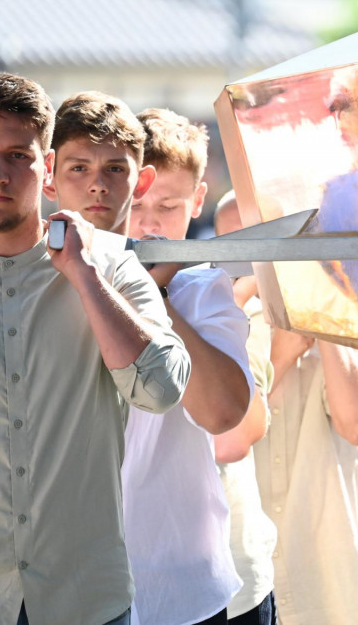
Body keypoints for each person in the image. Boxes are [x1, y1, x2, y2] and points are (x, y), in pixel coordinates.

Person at [0, 73, 190, 624]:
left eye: (17, 154)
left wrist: (83, 276)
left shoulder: (110, 264)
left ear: (48, 167)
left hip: (87, 601)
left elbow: (161, 390)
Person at [50, 96, 253, 625]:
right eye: (138, 207)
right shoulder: (58, 277)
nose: (150, 227)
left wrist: (152, 299)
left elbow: (223, 414)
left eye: (168, 208)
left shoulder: (205, 289)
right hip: (73, 578)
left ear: (197, 203)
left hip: (180, 578)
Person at [251, 230, 358, 621]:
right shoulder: (213, 326)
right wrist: (278, 359)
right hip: (241, 587)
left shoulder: (349, 323)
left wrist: (323, 316)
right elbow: (221, 439)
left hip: (329, 587)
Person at [213, 189, 280, 624]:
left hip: (237, 571)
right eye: (231, 242)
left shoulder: (241, 312)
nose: (244, 258)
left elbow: (231, 439)